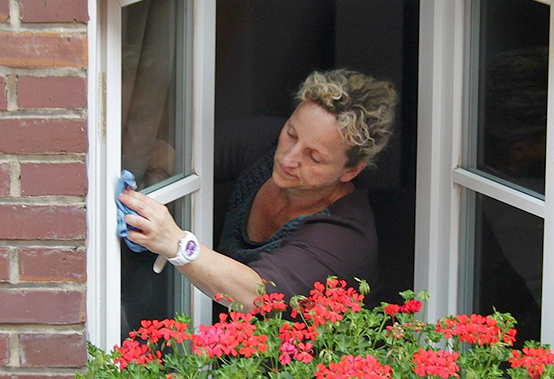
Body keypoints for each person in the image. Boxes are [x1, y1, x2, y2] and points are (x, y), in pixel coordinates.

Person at [117, 69, 397, 309]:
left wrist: (176, 244)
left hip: (298, 367)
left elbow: (257, 295)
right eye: (291, 134)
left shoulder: (345, 237)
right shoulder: (266, 143)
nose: (288, 158)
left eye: (314, 157)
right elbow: (173, 155)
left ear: (351, 171)